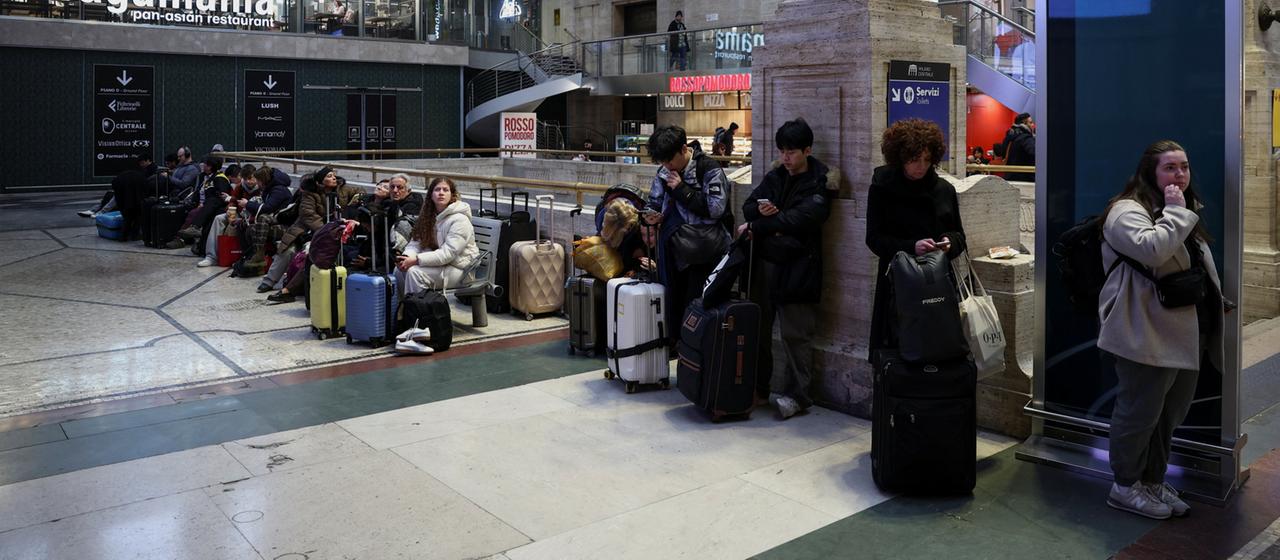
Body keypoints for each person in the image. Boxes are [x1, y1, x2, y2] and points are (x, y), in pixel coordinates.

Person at [1097, 140, 1227, 520]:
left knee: (1168, 414)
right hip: (1143, 330)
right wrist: (1175, 213)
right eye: (1170, 168)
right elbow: (1152, 250)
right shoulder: (1125, 211)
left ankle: (1151, 480)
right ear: (1150, 172)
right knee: (1138, 413)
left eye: (1184, 167)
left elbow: (1199, 263)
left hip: (1185, 328)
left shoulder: (1182, 209)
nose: (1179, 175)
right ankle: (1124, 486)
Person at [737, 118, 837, 418]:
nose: (785, 157)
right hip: (766, 264)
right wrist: (764, 215)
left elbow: (804, 219)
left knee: (796, 335)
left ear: (807, 150)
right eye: (782, 151)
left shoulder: (822, 180)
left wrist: (759, 224)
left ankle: (798, 395)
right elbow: (749, 205)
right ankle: (758, 388)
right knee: (759, 329)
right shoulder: (776, 175)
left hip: (799, 268)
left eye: (791, 152)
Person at [865, 117, 967, 354]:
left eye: (926, 160)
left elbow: (960, 235)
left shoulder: (944, 190)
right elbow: (874, 238)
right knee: (899, 348)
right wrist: (912, 246)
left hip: (938, 284)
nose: (920, 166)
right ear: (900, 157)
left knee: (939, 348)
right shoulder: (883, 188)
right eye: (913, 160)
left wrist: (950, 243)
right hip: (898, 285)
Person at [643, 125, 730, 343]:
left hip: (703, 252)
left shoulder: (708, 168)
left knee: (696, 305)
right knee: (673, 299)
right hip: (673, 248)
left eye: (669, 160)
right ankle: (677, 348)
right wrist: (649, 217)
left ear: (684, 149)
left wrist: (683, 190)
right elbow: (654, 201)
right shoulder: (664, 171)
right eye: (661, 162)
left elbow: (716, 209)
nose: (666, 166)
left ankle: (694, 353)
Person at [395, 177, 480, 295]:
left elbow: (448, 254)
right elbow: (415, 244)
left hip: (460, 269)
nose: (441, 193)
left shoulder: (460, 220)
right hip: (438, 265)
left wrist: (416, 260)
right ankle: (402, 309)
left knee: (415, 273)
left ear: (452, 195)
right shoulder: (428, 216)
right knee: (399, 271)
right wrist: (406, 258)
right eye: (437, 189)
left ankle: (418, 311)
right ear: (431, 195)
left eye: (445, 190)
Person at [78, 154, 158, 218]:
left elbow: (145, 183)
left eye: (142, 162)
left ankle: (101, 212)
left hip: (140, 191)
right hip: (135, 189)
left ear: (148, 161)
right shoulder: (145, 169)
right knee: (110, 194)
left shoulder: (153, 170)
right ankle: (94, 210)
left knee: (118, 195)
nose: (141, 164)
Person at [1001, 113, 1035, 181]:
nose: (1033, 125)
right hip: (1025, 178)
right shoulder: (1026, 138)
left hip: (1009, 176)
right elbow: (1034, 153)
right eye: (1030, 122)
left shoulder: (1009, 137)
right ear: (1024, 124)